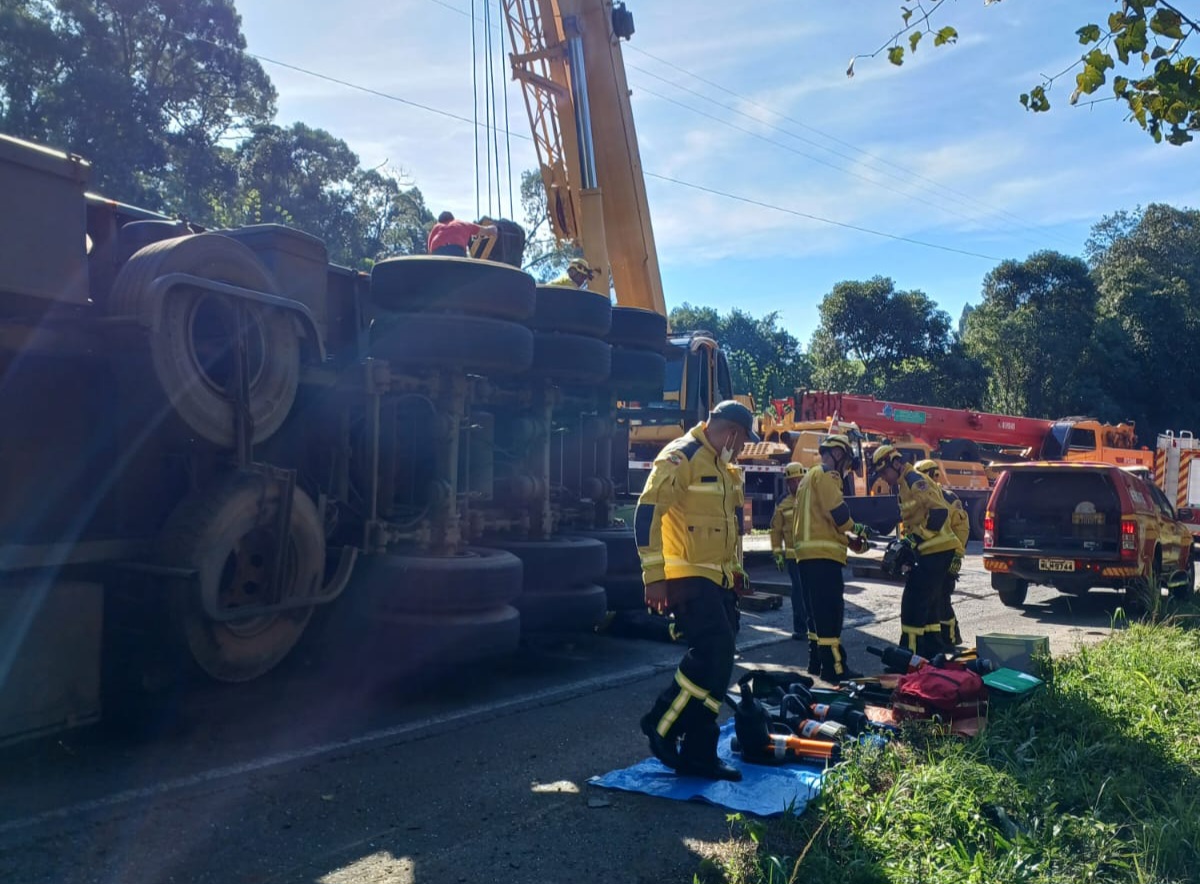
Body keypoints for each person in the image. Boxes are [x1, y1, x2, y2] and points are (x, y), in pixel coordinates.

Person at [636, 400, 759, 781]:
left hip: (718, 580)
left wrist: (736, 571)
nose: (739, 451)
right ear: (732, 433)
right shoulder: (681, 456)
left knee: (720, 664)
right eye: (740, 444)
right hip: (686, 577)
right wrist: (653, 575)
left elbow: (728, 530)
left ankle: (698, 753)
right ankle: (661, 724)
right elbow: (647, 514)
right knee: (713, 651)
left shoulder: (723, 468)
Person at [790, 434, 870, 681]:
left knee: (815, 614)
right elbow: (838, 513)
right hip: (824, 558)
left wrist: (847, 541)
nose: (845, 469)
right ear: (837, 454)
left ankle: (816, 663)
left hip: (806, 556)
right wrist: (858, 530)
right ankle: (835, 668)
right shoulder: (827, 475)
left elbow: (820, 523)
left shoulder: (807, 478)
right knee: (830, 614)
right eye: (845, 461)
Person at [871, 446, 961, 656]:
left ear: (895, 463)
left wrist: (913, 540)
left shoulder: (914, 480)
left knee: (912, 602)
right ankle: (931, 651)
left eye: (884, 472)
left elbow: (938, 512)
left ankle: (908, 653)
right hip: (931, 550)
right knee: (927, 605)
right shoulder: (903, 484)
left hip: (937, 549)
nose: (884, 478)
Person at [914, 459, 969, 647]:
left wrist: (957, 555)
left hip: (948, 555)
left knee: (943, 598)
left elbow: (961, 529)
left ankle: (952, 637)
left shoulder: (949, 499)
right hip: (930, 556)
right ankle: (935, 640)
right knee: (931, 599)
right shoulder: (922, 497)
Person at [770, 463, 814, 658]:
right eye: (792, 481)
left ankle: (814, 626)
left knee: (812, 592)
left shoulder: (812, 499)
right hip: (793, 557)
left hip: (811, 555)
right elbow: (776, 530)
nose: (796, 484)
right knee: (799, 593)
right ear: (787, 483)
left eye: (798, 480)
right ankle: (800, 628)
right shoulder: (782, 503)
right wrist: (777, 553)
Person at [426, 211, 498, 257]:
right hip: (456, 250)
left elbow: (430, 250)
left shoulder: (436, 227)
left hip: (437, 253)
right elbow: (485, 230)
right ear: (453, 219)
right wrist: (494, 229)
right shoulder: (461, 224)